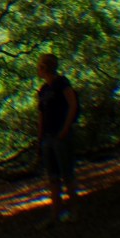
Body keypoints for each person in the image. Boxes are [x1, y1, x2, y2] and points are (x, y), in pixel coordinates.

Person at [37, 52, 79, 225]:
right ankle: (55, 215)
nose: (37, 68)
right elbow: (40, 116)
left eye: (39, 65)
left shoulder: (62, 83)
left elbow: (73, 105)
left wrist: (65, 129)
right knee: (53, 178)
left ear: (45, 67)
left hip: (61, 137)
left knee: (67, 175)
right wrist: (40, 139)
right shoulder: (43, 90)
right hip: (48, 139)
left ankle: (74, 213)